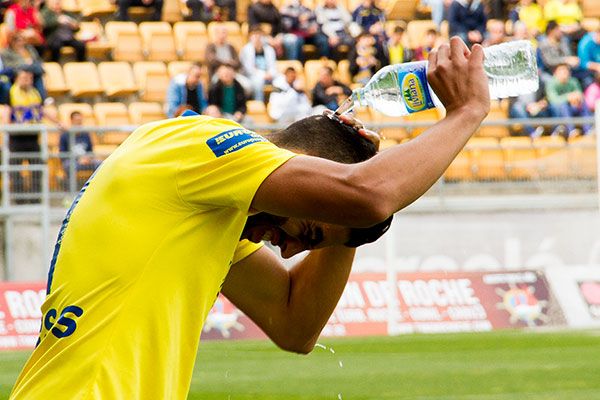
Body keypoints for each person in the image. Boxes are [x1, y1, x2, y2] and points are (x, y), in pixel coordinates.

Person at [9, 36, 491, 399]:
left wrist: (347, 231)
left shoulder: (210, 208)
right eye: (306, 231)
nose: (287, 251)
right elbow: (369, 195)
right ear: (303, 164)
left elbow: (295, 324)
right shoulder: (198, 145)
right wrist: (465, 112)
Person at [6, 68, 62, 204]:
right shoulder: (11, 92)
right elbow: (8, 110)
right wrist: (7, 127)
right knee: (16, 168)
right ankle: (19, 200)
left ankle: (36, 198)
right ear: (17, 78)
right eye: (25, 78)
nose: (28, 81)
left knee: (37, 166)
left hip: (33, 136)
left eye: (30, 78)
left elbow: (41, 110)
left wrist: (59, 123)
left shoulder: (34, 92)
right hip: (17, 137)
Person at [545, 64, 593, 137]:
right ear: (556, 73)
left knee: (582, 104)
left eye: (566, 72)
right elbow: (553, 100)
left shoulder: (573, 81)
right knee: (563, 105)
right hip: (557, 110)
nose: (564, 74)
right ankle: (570, 130)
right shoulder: (551, 83)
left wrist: (576, 99)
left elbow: (579, 94)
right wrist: (568, 97)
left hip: (572, 107)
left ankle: (588, 130)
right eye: (562, 72)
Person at [59, 111, 101, 188]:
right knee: (68, 165)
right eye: (77, 120)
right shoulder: (65, 136)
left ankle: (97, 189)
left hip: (86, 162)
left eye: (80, 120)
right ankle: (71, 193)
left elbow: (90, 151)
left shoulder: (86, 135)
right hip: (73, 162)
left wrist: (88, 158)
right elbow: (62, 155)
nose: (79, 123)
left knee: (101, 165)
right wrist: (78, 159)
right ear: (72, 121)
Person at [1, 32, 47, 100]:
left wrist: (26, 68)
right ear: (12, 41)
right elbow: (8, 67)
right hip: (14, 76)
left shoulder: (29, 48)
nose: (21, 42)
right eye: (18, 40)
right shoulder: (5, 52)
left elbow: (37, 62)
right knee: (20, 78)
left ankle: (42, 102)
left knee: (38, 78)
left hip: (32, 73)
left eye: (22, 40)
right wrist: (23, 63)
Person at [240, 26, 279, 102]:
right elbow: (248, 69)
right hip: (252, 76)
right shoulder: (246, 50)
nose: (257, 37)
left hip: (269, 76)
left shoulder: (269, 49)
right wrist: (264, 75)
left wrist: (270, 73)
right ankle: (259, 103)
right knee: (258, 82)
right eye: (254, 35)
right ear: (250, 37)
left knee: (281, 80)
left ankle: (277, 103)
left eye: (259, 35)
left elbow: (273, 66)